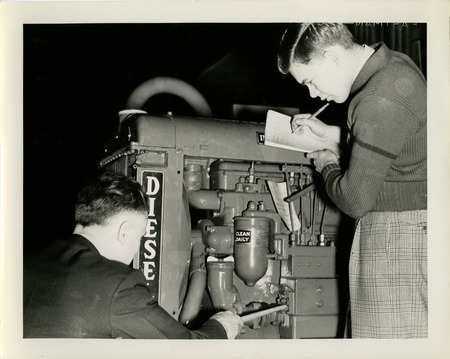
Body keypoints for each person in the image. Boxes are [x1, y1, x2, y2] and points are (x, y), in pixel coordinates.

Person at [277, 23, 427, 338]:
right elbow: (391, 147)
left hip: (398, 238)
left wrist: (327, 165)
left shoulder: (379, 96)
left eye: (310, 80)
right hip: (407, 232)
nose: (313, 93)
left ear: (331, 57)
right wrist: (332, 136)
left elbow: (355, 199)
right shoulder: (391, 66)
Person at [23, 172, 243, 339]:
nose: (137, 249)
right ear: (124, 231)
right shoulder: (116, 284)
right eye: (140, 237)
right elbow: (184, 350)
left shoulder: (30, 259)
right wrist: (222, 327)